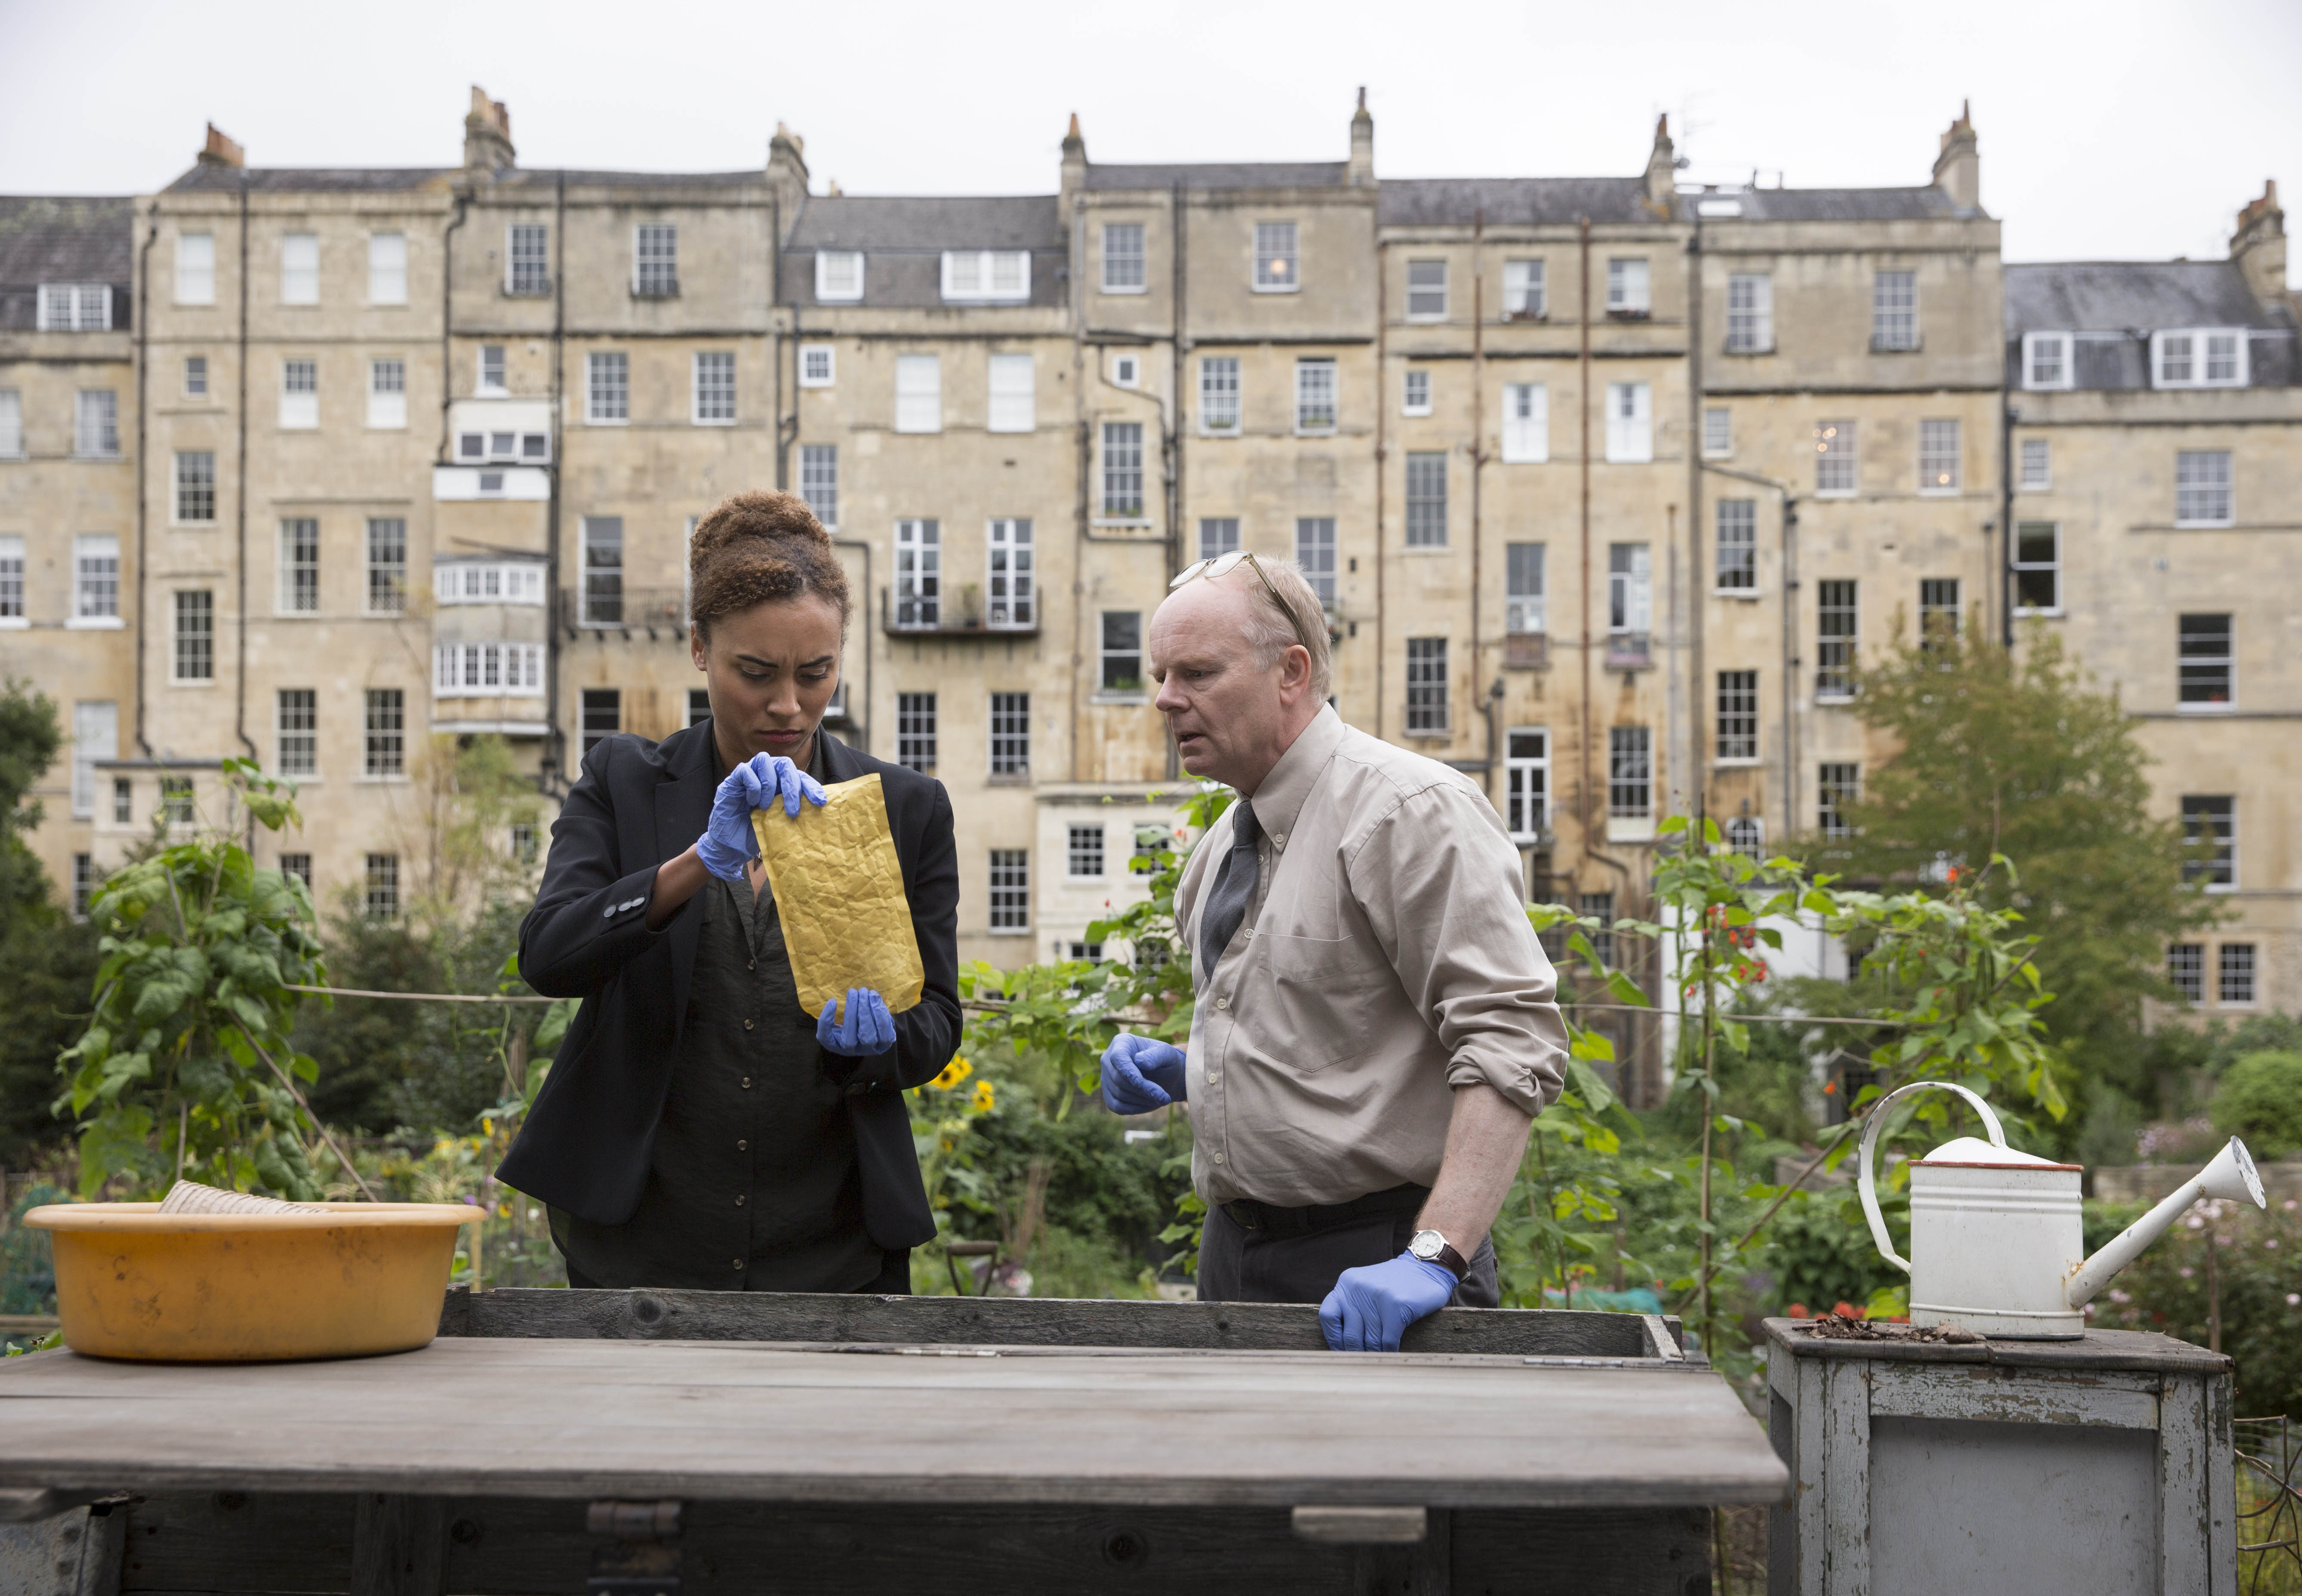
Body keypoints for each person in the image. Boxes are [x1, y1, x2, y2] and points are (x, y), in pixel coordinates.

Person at [1101, 552, 1568, 1350]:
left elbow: (1510, 1037)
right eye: (1160, 674)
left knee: (1382, 1481)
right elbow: (1337, 1029)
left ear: (1291, 670)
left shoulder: (1407, 812)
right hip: (1237, 1256)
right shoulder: (1220, 847)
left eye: (1197, 673)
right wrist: (1199, 1069)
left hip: (1382, 1264)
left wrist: (1434, 1256)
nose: (1165, 699)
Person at [500, 490, 961, 1294]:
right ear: (699, 649)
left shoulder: (907, 809)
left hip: (834, 1239)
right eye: (755, 673)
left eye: (815, 673)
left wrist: (879, 1045)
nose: (788, 705)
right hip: (641, 1235)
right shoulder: (624, 780)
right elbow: (549, 956)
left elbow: (938, 1022)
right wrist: (693, 865)